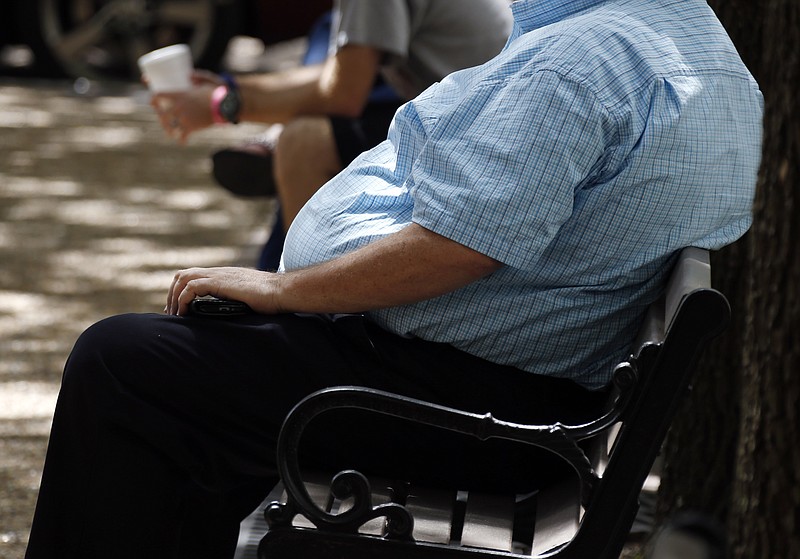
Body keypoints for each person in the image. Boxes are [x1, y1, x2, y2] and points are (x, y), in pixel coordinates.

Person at [25, 0, 762, 557]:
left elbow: (460, 246)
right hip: (525, 392)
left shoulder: (581, 63)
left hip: (470, 408)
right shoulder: (701, 46)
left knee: (121, 362)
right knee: (188, 356)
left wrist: (283, 288)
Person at [151, 0, 513, 270]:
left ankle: (304, 312)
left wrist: (223, 104)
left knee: (306, 141)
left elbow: (342, 94)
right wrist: (231, 91)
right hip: (475, 121)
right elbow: (339, 74)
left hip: (482, 139)